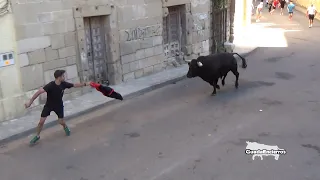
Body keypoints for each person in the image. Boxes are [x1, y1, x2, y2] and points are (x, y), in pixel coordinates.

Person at [25, 70, 90, 145]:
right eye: (63, 76)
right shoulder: (50, 85)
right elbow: (39, 92)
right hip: (49, 105)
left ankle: (65, 127)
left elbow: (74, 85)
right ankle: (37, 136)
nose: (64, 77)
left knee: (61, 121)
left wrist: (85, 84)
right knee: (41, 122)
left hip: (58, 106)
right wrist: (30, 102)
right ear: (59, 77)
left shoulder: (64, 84)